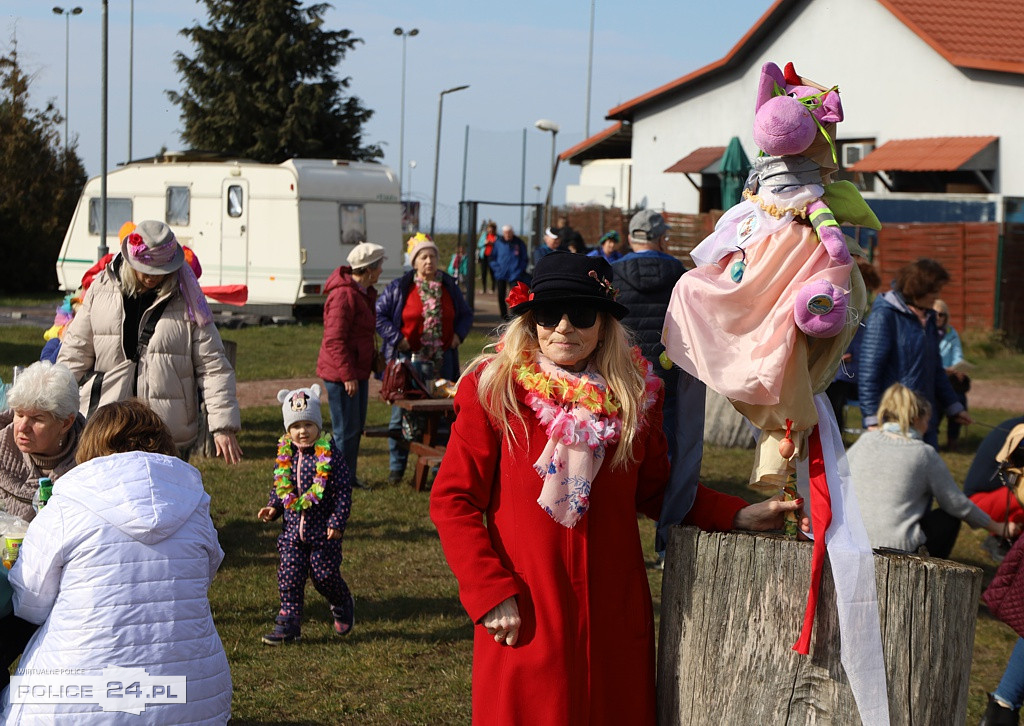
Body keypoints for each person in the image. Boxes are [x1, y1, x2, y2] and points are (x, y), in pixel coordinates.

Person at [429, 251, 805, 725]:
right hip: (526, 612)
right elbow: (453, 500)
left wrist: (737, 514)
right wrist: (488, 591)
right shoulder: (494, 391)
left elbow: (659, 492)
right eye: (549, 313)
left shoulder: (635, 399)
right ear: (531, 320)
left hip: (612, 620)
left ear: (605, 324)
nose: (564, 326)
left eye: (582, 313)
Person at [3, 399, 232, 723]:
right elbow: (204, 574)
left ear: (91, 443)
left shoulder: (68, 503)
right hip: (193, 697)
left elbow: (30, 601)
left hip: (74, 702)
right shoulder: (194, 504)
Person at [57, 219, 242, 463]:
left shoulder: (189, 299)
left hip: (164, 432)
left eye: (161, 271)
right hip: (107, 426)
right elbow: (74, 353)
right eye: (147, 270)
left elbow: (213, 365)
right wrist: (56, 410)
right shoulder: (100, 289)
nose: (152, 278)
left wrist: (223, 426)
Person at [847, 383, 1018, 558]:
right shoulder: (923, 453)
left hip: (852, 538)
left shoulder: (865, 441)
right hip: (897, 547)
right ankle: (932, 570)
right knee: (949, 519)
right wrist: (998, 527)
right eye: (927, 421)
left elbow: (837, 478)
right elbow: (957, 503)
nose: (928, 427)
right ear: (915, 420)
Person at [0, 361, 86, 692]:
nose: (22, 426)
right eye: (19, 413)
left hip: (62, 590)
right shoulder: (1, 448)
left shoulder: (90, 461)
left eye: (37, 419)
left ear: (65, 422)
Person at [612, 210, 693, 561]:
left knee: (615, 456)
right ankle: (666, 545)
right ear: (662, 239)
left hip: (622, 373)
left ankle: (614, 541)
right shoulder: (680, 274)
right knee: (669, 458)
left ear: (631, 237)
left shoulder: (612, 272)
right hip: (667, 376)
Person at [258, 385, 355, 644]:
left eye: (308, 424)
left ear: (318, 425)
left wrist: (337, 521)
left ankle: (341, 600)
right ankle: (288, 625)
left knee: (324, 576)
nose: (302, 431)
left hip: (322, 531)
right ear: (288, 430)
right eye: (296, 426)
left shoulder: (330, 455)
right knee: (289, 575)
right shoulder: (286, 455)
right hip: (292, 532)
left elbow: (343, 491)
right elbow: (282, 487)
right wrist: (273, 507)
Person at [376, 235, 473, 484]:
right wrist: (398, 338)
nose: (429, 261)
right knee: (402, 414)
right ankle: (396, 469)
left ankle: (437, 469)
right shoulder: (401, 287)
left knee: (443, 414)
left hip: (444, 362)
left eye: (433, 256)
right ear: (414, 262)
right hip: (407, 364)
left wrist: (458, 337)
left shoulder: (448, 285)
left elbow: (465, 315)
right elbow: (380, 315)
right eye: (423, 257)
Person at [858, 258, 970, 449]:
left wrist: (954, 407)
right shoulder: (885, 316)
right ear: (918, 289)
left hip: (925, 419)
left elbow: (935, 369)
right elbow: (869, 371)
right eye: (934, 291)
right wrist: (871, 419)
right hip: (894, 420)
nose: (937, 297)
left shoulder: (930, 319)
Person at [317, 241, 386, 486]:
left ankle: (347, 477)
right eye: (379, 266)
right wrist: (347, 376)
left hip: (356, 372)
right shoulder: (343, 295)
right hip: (342, 375)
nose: (380, 272)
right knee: (344, 431)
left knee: (353, 430)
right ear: (369, 270)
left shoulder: (361, 292)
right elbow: (335, 340)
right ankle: (335, 481)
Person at [825, 259, 882, 432]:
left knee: (837, 404)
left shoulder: (860, 309)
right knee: (833, 405)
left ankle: (837, 436)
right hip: (837, 368)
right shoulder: (844, 302)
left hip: (849, 369)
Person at [934, 298, 970, 451]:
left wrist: (958, 368)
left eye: (941, 314)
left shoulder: (951, 332)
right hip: (932, 377)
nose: (938, 318)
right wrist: (943, 369)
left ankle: (952, 439)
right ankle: (931, 436)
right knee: (936, 400)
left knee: (960, 398)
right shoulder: (924, 331)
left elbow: (957, 355)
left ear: (946, 316)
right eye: (935, 314)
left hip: (949, 377)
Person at [488, 225, 528, 320]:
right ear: (503, 233)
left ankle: (514, 315)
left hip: (515, 274)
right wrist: (497, 269)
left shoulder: (519, 243)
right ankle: (504, 316)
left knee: (515, 296)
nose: (508, 234)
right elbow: (491, 258)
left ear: (512, 232)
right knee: (501, 295)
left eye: (509, 232)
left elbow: (524, 258)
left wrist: (519, 270)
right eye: (506, 232)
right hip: (501, 274)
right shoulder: (498, 243)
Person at [476, 222, 497, 294]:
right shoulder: (484, 235)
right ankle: (484, 288)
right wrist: (485, 243)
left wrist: (493, 243)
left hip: (493, 257)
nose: (490, 230)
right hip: (484, 256)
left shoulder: (497, 237)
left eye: (492, 229)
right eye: (489, 229)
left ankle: (493, 288)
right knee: (483, 272)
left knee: (492, 272)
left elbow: (499, 246)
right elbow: (479, 244)